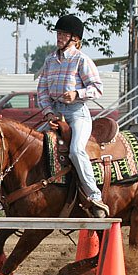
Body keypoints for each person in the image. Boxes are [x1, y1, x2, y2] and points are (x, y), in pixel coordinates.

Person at [37, 14, 108, 217]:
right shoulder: (50, 60)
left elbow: (97, 88)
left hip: (77, 114)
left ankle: (95, 196)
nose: (59, 37)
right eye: (58, 33)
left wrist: (77, 94)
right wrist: (48, 112)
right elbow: (42, 90)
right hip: (56, 114)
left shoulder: (81, 60)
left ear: (75, 38)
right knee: (32, 144)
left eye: (63, 34)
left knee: (76, 151)